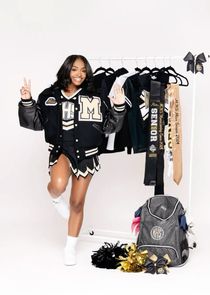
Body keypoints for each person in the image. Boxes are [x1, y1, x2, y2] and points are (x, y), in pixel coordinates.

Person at [18, 55, 126, 266]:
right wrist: (27, 101)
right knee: (57, 186)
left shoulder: (95, 96)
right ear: (66, 69)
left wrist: (119, 108)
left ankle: (70, 246)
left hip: (87, 154)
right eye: (75, 69)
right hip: (62, 151)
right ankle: (55, 198)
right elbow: (36, 123)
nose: (79, 74)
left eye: (83, 70)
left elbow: (109, 128)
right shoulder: (49, 95)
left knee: (77, 202)